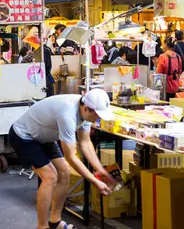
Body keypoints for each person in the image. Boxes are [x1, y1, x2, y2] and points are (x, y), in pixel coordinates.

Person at [9, 89, 115, 229]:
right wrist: (94, 181)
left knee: (64, 172)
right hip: (24, 136)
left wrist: (101, 171)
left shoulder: (87, 112)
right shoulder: (68, 115)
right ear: (85, 108)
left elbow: (85, 143)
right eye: (98, 115)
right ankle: (42, 226)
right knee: (50, 177)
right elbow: (70, 156)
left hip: (44, 136)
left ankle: (55, 221)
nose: (98, 119)